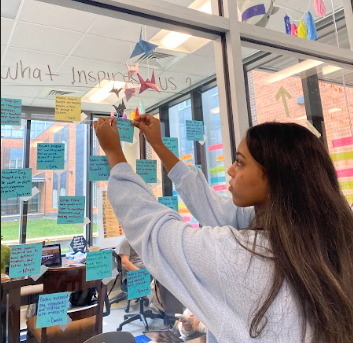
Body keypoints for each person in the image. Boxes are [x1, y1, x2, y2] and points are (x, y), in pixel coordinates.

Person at [94, 115, 353, 343]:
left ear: (275, 176)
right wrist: (159, 146)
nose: (230, 170)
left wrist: (114, 154)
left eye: (240, 163)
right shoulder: (326, 238)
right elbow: (215, 208)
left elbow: (154, 230)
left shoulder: (242, 255)